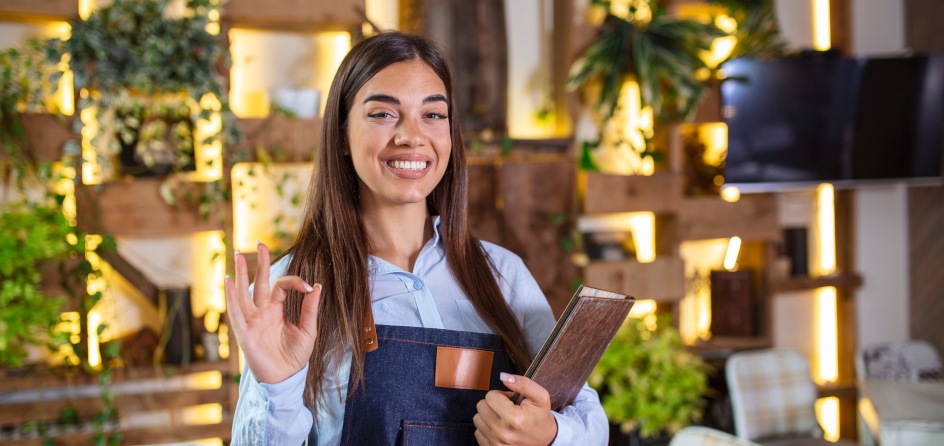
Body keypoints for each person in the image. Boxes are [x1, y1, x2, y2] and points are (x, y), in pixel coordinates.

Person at [226, 31, 609, 445]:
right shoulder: (294, 289)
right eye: (383, 114)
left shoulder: (502, 275)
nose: (412, 135)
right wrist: (279, 387)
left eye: (432, 115)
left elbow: (587, 418)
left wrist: (550, 433)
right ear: (340, 136)